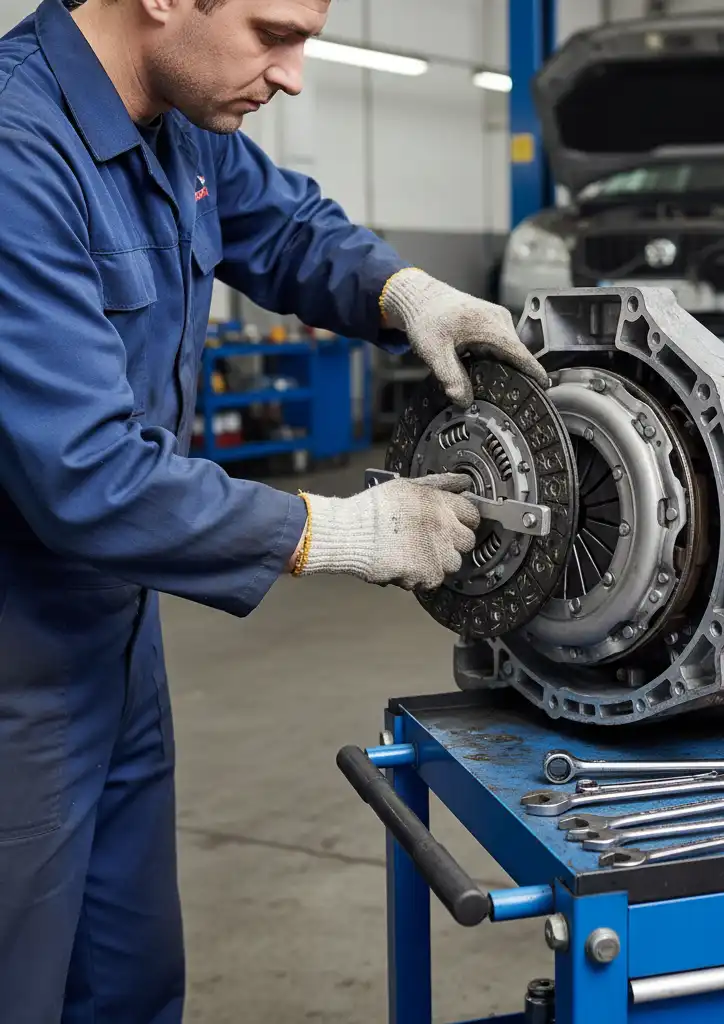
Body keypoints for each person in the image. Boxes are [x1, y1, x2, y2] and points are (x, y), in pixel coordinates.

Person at [0, 0, 547, 1019]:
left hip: (116, 641)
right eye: (272, 32)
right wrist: (344, 533)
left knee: (126, 977)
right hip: (14, 659)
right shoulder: (16, 154)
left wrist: (406, 291)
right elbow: (87, 474)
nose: (293, 73)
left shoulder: (177, 126)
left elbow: (288, 227)